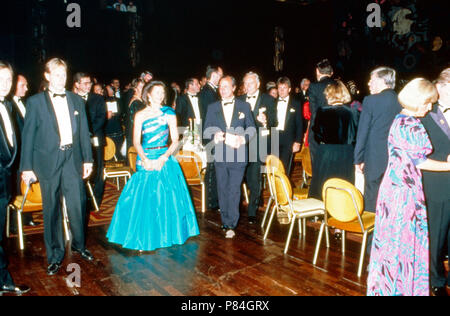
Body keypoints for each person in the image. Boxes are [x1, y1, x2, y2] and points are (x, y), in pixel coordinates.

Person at [367, 78, 450, 297]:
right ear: (418, 100)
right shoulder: (410, 124)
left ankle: (392, 288)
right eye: (428, 103)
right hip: (404, 191)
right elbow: (420, 162)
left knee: (393, 243)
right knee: (403, 243)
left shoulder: (400, 119)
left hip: (394, 187)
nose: (430, 107)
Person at [20, 58, 94, 276]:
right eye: (57, 74)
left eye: (64, 74)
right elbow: (29, 136)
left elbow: (83, 133)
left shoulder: (76, 100)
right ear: (48, 76)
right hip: (47, 162)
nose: (62, 79)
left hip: (72, 159)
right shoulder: (34, 102)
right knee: (51, 209)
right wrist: (27, 167)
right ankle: (54, 255)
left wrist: (88, 160)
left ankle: (80, 246)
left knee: (78, 205)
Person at [107, 81, 199, 251]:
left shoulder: (169, 113)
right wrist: (145, 159)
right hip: (146, 157)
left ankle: (168, 234)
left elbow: (175, 140)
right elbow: (135, 141)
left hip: (164, 157)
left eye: (162, 92)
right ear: (148, 95)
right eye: (156, 92)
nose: (160, 95)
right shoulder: (140, 115)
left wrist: (163, 158)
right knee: (144, 198)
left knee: (168, 198)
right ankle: (143, 236)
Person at [204, 76, 256, 238]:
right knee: (222, 188)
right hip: (220, 154)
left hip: (238, 154)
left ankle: (231, 224)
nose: (222, 89)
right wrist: (215, 136)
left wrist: (242, 139)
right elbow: (206, 131)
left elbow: (252, 129)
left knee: (234, 190)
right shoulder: (212, 107)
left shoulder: (244, 106)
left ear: (234, 88)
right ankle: (225, 220)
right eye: (220, 87)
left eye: (226, 86)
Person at [0, 61, 30, 295]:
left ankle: (3, 280)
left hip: (3, 184)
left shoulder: (8, 106)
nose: (5, 85)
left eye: (8, 80)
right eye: (1, 80)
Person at [354, 67, 402, 213]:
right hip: (396, 158)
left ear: (382, 81)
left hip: (374, 158)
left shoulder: (370, 101)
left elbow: (362, 133)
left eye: (372, 80)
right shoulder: (401, 101)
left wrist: (357, 159)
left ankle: (371, 235)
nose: (369, 83)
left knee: (372, 198)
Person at [421, 68, 450, 296]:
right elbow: (417, 154)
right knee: (437, 234)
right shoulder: (424, 114)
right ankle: (437, 281)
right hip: (437, 182)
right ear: (439, 88)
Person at [238, 72, 277, 224]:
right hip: (240, 144)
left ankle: (252, 211)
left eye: (251, 83)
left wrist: (266, 120)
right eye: (245, 83)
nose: (247, 86)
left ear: (258, 84)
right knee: (240, 177)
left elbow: (274, 121)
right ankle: (238, 205)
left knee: (254, 178)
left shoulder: (268, 99)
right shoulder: (239, 99)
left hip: (258, 144)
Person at [308, 80, 358, 199]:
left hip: (326, 153)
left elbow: (317, 135)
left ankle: (323, 213)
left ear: (329, 95)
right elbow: (354, 135)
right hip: (346, 154)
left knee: (324, 186)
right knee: (343, 185)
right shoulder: (352, 112)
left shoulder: (322, 111)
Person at [74, 72, 107, 208]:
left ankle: (96, 199)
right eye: (85, 83)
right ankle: (83, 198)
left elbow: (101, 118)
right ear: (77, 84)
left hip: (95, 138)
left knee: (98, 168)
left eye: (90, 83)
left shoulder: (98, 99)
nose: (89, 86)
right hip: (78, 141)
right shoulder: (72, 98)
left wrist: (87, 133)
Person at [307, 59, 336, 167]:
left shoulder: (314, 87)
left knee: (318, 166)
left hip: (318, 131)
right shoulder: (338, 85)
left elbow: (314, 111)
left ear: (317, 71)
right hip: (336, 131)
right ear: (330, 72)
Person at [275, 77, 303, 174]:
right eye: (280, 88)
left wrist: (298, 142)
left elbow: (300, 124)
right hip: (274, 137)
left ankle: (283, 188)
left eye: (284, 88)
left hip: (288, 139)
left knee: (285, 168)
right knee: (274, 167)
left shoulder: (296, 103)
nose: (282, 90)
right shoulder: (272, 102)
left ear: (289, 89)